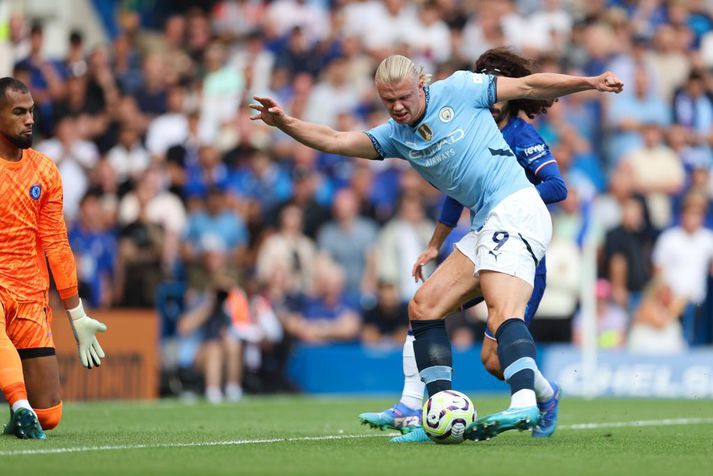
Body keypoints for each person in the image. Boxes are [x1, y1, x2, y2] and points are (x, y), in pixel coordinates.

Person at [250, 54, 623, 442]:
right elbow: (336, 139)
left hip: (516, 208)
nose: (396, 107)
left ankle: (524, 402)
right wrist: (287, 123)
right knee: (424, 307)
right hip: (485, 222)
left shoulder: (461, 89)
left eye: (403, 97)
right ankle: (437, 409)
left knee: (501, 311)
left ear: (422, 85)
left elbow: (529, 87)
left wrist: (591, 82)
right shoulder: (396, 136)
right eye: (387, 100)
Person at [358, 48, 567, 440]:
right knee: (426, 305)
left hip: (516, 234)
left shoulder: (521, 135)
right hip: (486, 233)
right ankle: (412, 404)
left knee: (492, 357)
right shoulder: (472, 124)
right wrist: (435, 243)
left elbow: (557, 186)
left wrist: (513, 197)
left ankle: (544, 395)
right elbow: (457, 194)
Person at [0, 78, 107, 439]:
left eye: (31, 111)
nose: (29, 119)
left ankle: (26, 411)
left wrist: (76, 314)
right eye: (18, 112)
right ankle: (17, 404)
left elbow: (57, 243)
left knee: (49, 415)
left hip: (30, 294)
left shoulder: (45, 171)